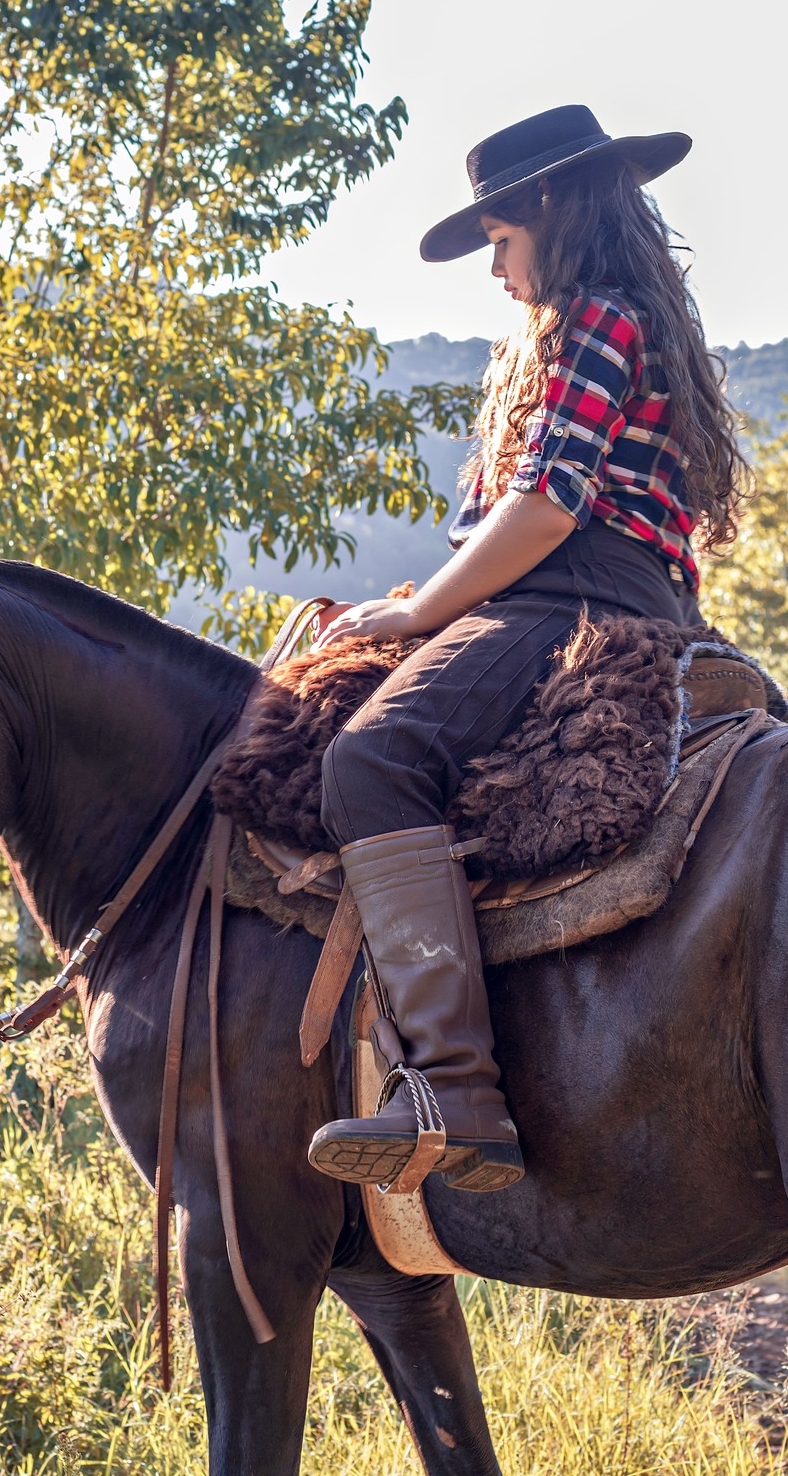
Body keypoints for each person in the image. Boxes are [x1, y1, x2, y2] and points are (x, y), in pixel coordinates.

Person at [306, 104, 749, 1194]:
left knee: (367, 761)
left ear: (550, 208)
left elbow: (547, 506)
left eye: (501, 239)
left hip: (574, 594)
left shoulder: (598, 315)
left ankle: (453, 1091)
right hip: (607, 587)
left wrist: (414, 616)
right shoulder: (624, 315)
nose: (496, 268)